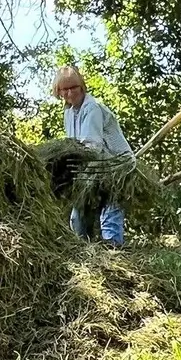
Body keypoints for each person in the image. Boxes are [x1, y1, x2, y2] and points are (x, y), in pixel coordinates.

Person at [52, 65, 132, 247]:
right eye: (65, 89)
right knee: (79, 215)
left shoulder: (92, 108)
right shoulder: (69, 112)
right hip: (92, 169)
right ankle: (84, 252)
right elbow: (74, 143)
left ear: (81, 86)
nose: (70, 93)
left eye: (74, 87)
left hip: (116, 167)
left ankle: (114, 252)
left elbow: (92, 146)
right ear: (59, 91)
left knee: (110, 212)